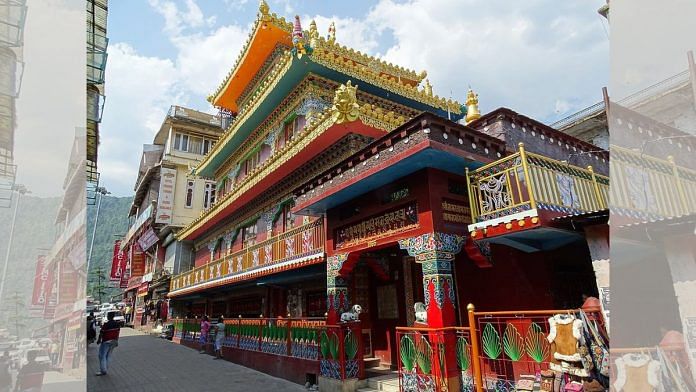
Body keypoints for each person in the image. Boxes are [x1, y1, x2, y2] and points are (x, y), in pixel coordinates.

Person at [95, 311, 121, 376]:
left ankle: (103, 371)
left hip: (106, 341)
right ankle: (106, 368)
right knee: (108, 355)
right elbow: (118, 333)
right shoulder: (117, 324)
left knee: (102, 355)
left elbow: (101, 333)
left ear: (109, 316)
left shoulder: (106, 324)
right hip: (114, 341)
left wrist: (99, 340)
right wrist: (116, 340)